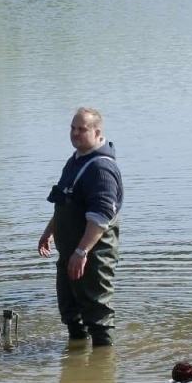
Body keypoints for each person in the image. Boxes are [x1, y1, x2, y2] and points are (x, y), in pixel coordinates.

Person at [37, 108, 123, 348]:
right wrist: (50, 231)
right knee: (70, 310)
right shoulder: (76, 160)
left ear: (97, 132)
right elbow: (64, 201)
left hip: (93, 256)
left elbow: (101, 216)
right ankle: (77, 353)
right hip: (70, 253)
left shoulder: (101, 169)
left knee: (98, 313)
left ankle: (102, 367)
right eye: (72, 128)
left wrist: (82, 252)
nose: (75, 133)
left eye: (81, 129)